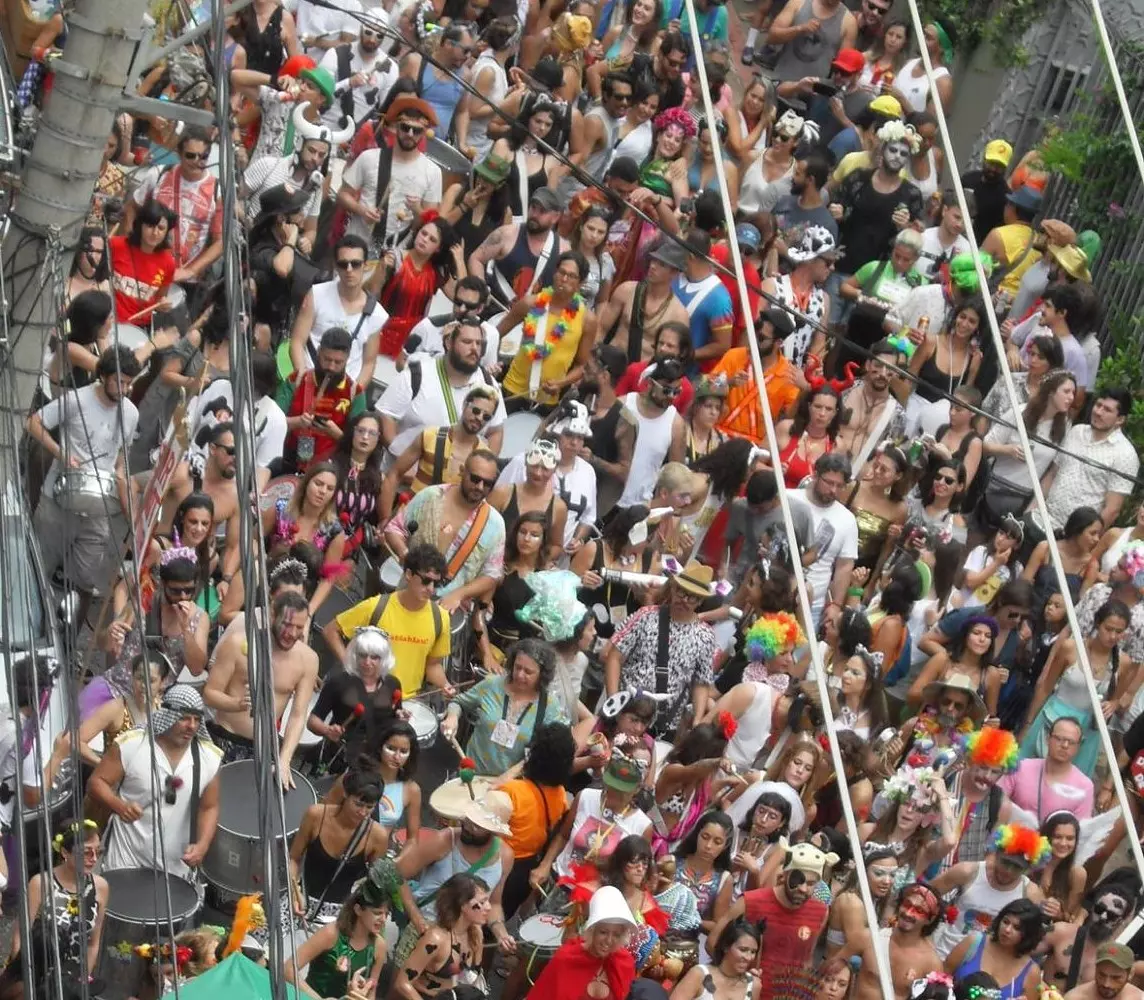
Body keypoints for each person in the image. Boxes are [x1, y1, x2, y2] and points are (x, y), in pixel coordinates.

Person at [27, 346, 140, 606]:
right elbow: (33, 422)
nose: (124, 389)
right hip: (57, 500)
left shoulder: (131, 413)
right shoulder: (76, 400)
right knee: (38, 569)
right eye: (119, 382)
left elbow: (121, 459)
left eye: (128, 383)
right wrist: (62, 453)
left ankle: (65, 631)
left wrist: (127, 503)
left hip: (100, 506)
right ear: (104, 376)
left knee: (83, 580)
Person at [87, 685, 222, 881]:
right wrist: (119, 806)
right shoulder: (132, 745)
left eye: (197, 719)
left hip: (174, 866)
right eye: (184, 717)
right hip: (125, 857)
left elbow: (209, 807)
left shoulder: (209, 758)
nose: (192, 726)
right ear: (167, 715)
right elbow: (96, 783)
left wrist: (202, 845)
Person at [205, 591, 319, 780]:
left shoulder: (308, 659)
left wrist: (284, 761)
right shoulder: (237, 643)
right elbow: (209, 693)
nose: (291, 633)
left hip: (264, 749)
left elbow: (298, 716)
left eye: (299, 627)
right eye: (287, 624)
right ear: (272, 615)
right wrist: (238, 704)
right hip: (223, 738)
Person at [704, 838, 834, 1000]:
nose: (803, 888)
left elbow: (806, 958)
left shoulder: (821, 911)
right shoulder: (750, 902)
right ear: (784, 874)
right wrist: (735, 978)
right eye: (797, 880)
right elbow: (713, 942)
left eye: (811, 883)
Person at [604, 561, 719, 737]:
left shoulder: (706, 636)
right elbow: (614, 656)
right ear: (673, 588)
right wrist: (614, 701)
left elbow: (701, 682)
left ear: (700, 601)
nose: (684, 600)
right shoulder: (645, 616)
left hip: (665, 724)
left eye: (692, 597)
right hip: (626, 712)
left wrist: (697, 719)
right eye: (681, 592)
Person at [383, 450, 507, 611]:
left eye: (488, 483)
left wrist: (459, 594)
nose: (480, 487)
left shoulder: (495, 524)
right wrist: (407, 556)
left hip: (449, 611)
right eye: (475, 479)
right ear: (462, 471)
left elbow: (492, 574)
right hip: (408, 594)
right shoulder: (431, 496)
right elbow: (394, 529)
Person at [828, 120, 925, 324]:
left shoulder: (912, 194)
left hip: (877, 278)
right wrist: (836, 212)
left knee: (850, 331)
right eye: (893, 150)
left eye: (903, 153)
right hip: (841, 264)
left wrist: (904, 227)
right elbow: (836, 205)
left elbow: (913, 238)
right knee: (826, 323)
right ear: (882, 150)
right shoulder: (858, 178)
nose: (897, 156)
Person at [324, 544, 452, 695]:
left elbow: (433, 666)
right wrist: (352, 670)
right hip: (368, 698)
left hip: (407, 704)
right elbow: (330, 631)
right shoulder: (376, 606)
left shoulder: (441, 618)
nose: (431, 588)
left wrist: (445, 685)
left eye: (436, 583)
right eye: (426, 581)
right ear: (409, 575)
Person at [1021, 599, 1129, 773]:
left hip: (1088, 731)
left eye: (1119, 632)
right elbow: (1046, 688)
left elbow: (1118, 698)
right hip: (1053, 720)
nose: (1113, 636)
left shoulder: (1124, 662)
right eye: (1108, 629)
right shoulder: (1070, 647)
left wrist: (1113, 704)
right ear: (1097, 624)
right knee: (1031, 772)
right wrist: (1028, 724)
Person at [394, 793, 513, 952]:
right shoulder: (444, 840)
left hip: (461, 941)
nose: (468, 828)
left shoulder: (505, 856)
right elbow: (397, 873)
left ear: (493, 832)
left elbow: (495, 903)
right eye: (467, 820)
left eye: (477, 826)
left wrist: (501, 933)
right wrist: (417, 919)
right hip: (425, 929)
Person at [442, 638, 568, 774]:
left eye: (528, 672)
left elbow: (552, 749)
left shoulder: (549, 706)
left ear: (542, 674)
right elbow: (458, 702)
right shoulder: (491, 684)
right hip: (472, 774)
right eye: (517, 667)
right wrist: (452, 717)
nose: (520, 675)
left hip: (511, 786)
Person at [123, 127, 223, 295]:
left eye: (203, 156)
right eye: (191, 155)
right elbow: (132, 208)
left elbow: (220, 242)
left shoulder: (218, 191)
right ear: (179, 153)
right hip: (146, 269)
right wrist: (131, 249)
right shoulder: (159, 174)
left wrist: (191, 271)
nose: (197, 161)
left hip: (186, 282)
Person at [337, 94, 443, 249]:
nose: (410, 134)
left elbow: (431, 223)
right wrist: (361, 210)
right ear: (397, 127)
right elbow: (342, 195)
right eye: (406, 128)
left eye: (417, 131)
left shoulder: (433, 172)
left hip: (394, 253)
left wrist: (417, 210)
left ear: (424, 132)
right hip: (356, 245)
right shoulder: (370, 158)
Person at [12, 818, 109, 985]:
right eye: (86, 852)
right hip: (36, 976)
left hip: (72, 981)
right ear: (65, 852)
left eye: (98, 852)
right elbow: (19, 938)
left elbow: (93, 943)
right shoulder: (41, 883)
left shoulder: (100, 887)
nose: (94, 858)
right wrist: (28, 982)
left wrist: (81, 981)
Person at [928, 825, 1047, 960]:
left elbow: (1034, 937)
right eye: (1005, 862)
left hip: (989, 968)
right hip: (945, 955)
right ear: (996, 854)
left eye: (1017, 867)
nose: (1008, 870)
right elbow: (924, 895)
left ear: (1028, 869)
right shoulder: (968, 871)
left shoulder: (1030, 893)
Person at [288, 767, 389, 924]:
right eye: (358, 804)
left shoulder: (378, 836)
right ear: (346, 795)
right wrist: (294, 893)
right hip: (301, 896)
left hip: (340, 912)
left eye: (369, 807)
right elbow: (294, 858)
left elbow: (376, 884)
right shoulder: (315, 815)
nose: (363, 812)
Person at [381, 384, 496, 519]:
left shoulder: (485, 457)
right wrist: (384, 518)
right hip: (409, 517)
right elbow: (394, 473)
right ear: (465, 405)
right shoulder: (431, 435)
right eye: (476, 411)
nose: (480, 418)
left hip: (447, 527)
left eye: (487, 416)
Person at [499, 251, 598, 408]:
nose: (564, 279)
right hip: (512, 390)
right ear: (554, 273)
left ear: (581, 283)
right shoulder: (530, 303)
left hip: (547, 401)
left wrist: (561, 383)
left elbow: (582, 365)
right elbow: (496, 334)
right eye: (562, 272)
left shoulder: (587, 319)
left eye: (572, 276)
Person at [290, 235, 387, 389]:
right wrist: (302, 375)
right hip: (310, 379)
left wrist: (355, 389)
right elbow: (297, 340)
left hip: (343, 393)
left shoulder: (377, 313)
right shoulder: (317, 294)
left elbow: (369, 362)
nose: (349, 270)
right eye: (343, 264)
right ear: (336, 266)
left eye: (355, 264)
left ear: (366, 265)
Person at [284, 862, 391, 1000]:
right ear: (358, 910)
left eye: (386, 914)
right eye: (377, 913)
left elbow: (371, 992)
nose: (383, 919)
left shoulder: (379, 946)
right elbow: (288, 969)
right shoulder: (331, 934)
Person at [1042, 387, 1138, 533]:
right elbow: (1052, 473)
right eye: (1098, 405)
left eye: (1107, 410)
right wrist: (1033, 509)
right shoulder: (1076, 431)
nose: (1098, 412)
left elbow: (1112, 509)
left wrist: (1081, 541)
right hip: (1042, 517)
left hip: (1072, 534)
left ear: (1120, 419)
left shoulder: (1125, 454)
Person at [278, 326, 369, 472]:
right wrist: (296, 422)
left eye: (338, 362)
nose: (331, 367)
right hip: (287, 460)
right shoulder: (297, 380)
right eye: (327, 359)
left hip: (329, 471)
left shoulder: (355, 393)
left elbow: (361, 443)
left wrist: (337, 435)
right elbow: (271, 421)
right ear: (319, 352)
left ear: (347, 359)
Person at [392, 872, 495, 999]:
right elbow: (402, 983)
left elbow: (472, 976)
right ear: (462, 905)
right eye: (482, 902)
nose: (489, 907)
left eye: (487, 901)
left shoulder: (476, 933)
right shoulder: (436, 939)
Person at [526, 886, 638, 1000]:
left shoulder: (624, 963)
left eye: (616, 935)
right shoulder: (566, 958)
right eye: (603, 932)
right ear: (592, 931)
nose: (609, 940)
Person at [468, 187, 568, 309]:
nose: (534, 214)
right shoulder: (506, 234)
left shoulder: (563, 251)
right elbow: (476, 258)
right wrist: (482, 288)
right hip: (494, 311)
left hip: (532, 321)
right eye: (533, 207)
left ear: (556, 217)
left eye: (542, 211)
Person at [788, 452, 858, 627]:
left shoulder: (847, 520)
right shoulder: (789, 498)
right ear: (816, 475)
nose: (834, 490)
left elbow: (844, 566)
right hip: (775, 590)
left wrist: (835, 605)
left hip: (812, 606)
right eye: (829, 482)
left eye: (840, 485)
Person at [598, 240, 691, 366]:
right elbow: (602, 328)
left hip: (639, 376)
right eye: (653, 260)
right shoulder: (626, 290)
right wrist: (591, 359)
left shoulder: (679, 314)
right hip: (608, 366)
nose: (653, 266)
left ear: (674, 273)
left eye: (662, 264)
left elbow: (673, 358)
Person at [1042, 877, 1141, 992]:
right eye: (1100, 909)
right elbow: (1020, 951)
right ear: (1092, 908)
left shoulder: (1115, 961)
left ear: (1120, 921)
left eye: (1111, 915)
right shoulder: (1061, 932)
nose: (1103, 917)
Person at [615, 359, 688, 509]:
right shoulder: (622, 406)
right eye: (666, 390)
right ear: (649, 383)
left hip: (639, 507)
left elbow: (675, 477)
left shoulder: (676, 425)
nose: (672, 397)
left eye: (677, 392)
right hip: (604, 498)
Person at [853, 882, 943, 1000]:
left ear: (930, 920)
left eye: (919, 911)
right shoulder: (870, 938)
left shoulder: (931, 963)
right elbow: (832, 971)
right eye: (906, 905)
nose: (908, 913)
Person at [673, 232, 735, 369]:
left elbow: (723, 345)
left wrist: (689, 355)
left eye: (680, 251)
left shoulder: (719, 299)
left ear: (690, 257)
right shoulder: (675, 276)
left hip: (683, 373)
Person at [980, 187, 1043, 302]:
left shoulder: (998, 235)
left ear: (1012, 207)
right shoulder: (1039, 242)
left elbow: (977, 270)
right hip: (1017, 305)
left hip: (993, 300)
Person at [961, 140, 1013, 238]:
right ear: (984, 158)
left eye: (999, 166)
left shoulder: (1005, 197)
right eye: (991, 163)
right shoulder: (968, 178)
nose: (993, 169)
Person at [1063, 943, 1143, 1000]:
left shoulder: (1140, 997)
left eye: (1116, 978)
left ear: (1130, 974)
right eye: (1102, 975)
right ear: (1095, 969)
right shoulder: (1075, 997)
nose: (1106, 984)